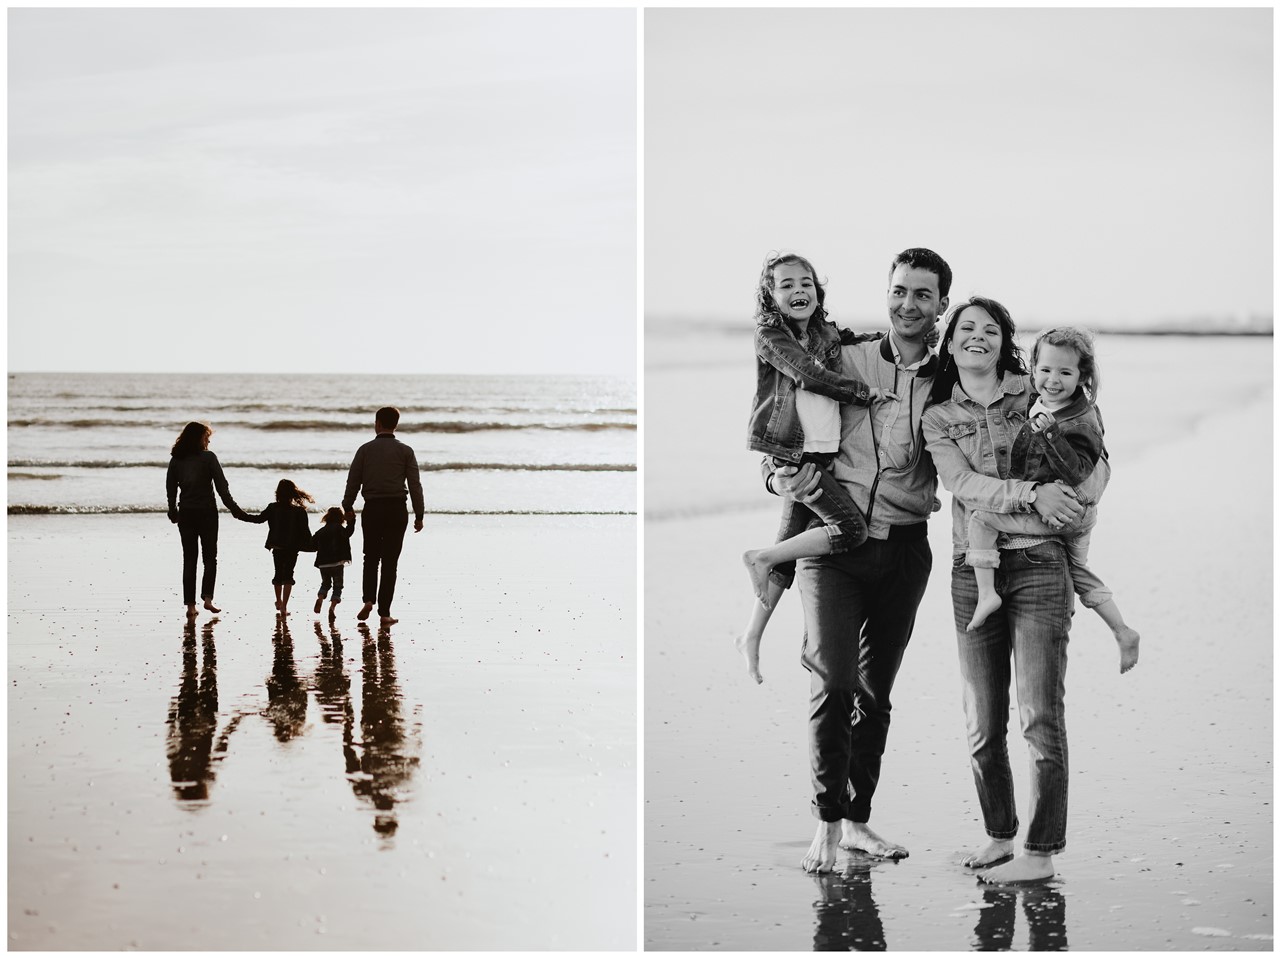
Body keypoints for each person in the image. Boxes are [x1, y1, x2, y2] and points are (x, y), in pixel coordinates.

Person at [767, 247, 951, 873]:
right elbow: (788, 418)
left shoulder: (949, 377)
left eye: (922, 294)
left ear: (940, 306)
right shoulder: (843, 356)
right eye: (899, 290)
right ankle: (825, 824)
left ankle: (857, 821)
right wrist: (777, 476)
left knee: (874, 695)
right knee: (834, 683)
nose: (908, 303)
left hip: (905, 550)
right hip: (836, 547)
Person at [920, 296, 1099, 883]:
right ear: (949, 344)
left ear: (1005, 341)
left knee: (1040, 716)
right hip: (972, 571)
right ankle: (1000, 836)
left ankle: (1041, 851)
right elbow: (961, 484)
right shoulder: (939, 416)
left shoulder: (1036, 390)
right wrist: (1032, 494)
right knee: (981, 721)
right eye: (965, 329)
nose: (977, 337)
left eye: (989, 329)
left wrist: (1077, 501)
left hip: (1041, 565)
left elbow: (1091, 450)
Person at [738, 251, 896, 684]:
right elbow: (807, 375)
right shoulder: (770, 336)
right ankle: (761, 557)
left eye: (805, 283)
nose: (798, 291)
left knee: (787, 556)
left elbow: (856, 341)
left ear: (817, 290)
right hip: (793, 455)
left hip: (822, 455)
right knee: (850, 530)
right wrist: (864, 394)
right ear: (770, 296)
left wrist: (898, 338)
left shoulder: (825, 332)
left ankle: (751, 634)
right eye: (786, 285)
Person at [963, 325, 1141, 672]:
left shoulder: (1080, 422)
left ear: (1082, 375)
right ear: (1033, 369)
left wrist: (1049, 433)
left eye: (1064, 372)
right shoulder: (1047, 402)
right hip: (1077, 514)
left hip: (1065, 511)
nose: (1052, 380)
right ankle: (1122, 629)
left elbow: (1077, 470)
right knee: (1078, 569)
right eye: (1044, 370)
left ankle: (987, 593)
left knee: (981, 519)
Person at [342, 406, 425, 626]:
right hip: (397, 509)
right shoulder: (406, 451)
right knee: (390, 562)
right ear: (395, 424)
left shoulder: (365, 450)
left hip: (373, 508)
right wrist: (419, 514)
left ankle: (368, 599)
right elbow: (415, 485)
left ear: (377, 423)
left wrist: (347, 504)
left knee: (370, 557)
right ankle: (384, 612)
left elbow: (353, 480)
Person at [165, 421, 247, 618]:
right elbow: (222, 487)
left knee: (189, 559)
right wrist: (235, 509)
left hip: (186, 513)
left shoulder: (177, 459)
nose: (208, 440)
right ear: (198, 438)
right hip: (207, 514)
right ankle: (208, 599)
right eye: (206, 436)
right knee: (210, 558)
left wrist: (172, 509)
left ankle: (191, 606)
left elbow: (170, 487)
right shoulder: (208, 457)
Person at [240, 479, 316, 616]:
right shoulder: (299, 512)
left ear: (278, 493)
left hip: (277, 546)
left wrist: (241, 515)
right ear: (293, 493)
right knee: (289, 575)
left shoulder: (273, 507)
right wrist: (313, 545)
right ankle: (284, 607)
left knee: (278, 573)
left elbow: (258, 519)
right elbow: (305, 532)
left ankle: (278, 600)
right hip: (292, 547)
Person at [312, 506, 355, 619]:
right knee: (338, 586)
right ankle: (332, 608)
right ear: (341, 518)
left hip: (323, 564)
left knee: (325, 584)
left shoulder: (320, 532)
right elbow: (349, 532)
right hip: (337, 563)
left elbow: (312, 544)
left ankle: (320, 598)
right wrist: (351, 521)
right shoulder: (340, 529)